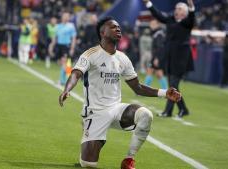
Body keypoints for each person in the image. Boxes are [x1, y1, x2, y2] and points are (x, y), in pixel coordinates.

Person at [58, 17, 181, 169]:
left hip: (116, 109)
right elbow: (76, 73)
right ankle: (93, 137)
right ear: (103, 32)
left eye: (119, 27)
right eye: (113, 27)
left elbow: (138, 87)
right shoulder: (91, 54)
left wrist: (164, 93)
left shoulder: (123, 58)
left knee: (145, 115)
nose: (118, 29)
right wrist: (66, 90)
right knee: (88, 164)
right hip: (95, 112)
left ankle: (129, 159)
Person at [143, 0, 195, 118]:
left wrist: (191, 7)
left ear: (185, 12)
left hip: (182, 58)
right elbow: (159, 15)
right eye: (177, 8)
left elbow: (192, 19)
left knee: (173, 84)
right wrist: (148, 4)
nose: (177, 9)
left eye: (180, 8)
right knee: (174, 84)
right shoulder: (171, 19)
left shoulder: (187, 22)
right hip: (170, 57)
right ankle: (183, 109)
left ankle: (168, 111)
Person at [49, 12, 77, 85]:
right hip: (59, 46)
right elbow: (55, 38)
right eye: (64, 16)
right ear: (62, 17)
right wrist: (51, 47)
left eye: (67, 16)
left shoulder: (71, 26)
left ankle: (63, 80)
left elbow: (73, 38)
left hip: (66, 46)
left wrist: (72, 48)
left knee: (64, 63)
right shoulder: (58, 26)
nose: (66, 17)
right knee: (62, 64)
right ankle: (68, 78)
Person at [144, 19, 168, 89]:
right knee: (159, 74)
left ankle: (144, 90)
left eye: (153, 24)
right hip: (158, 56)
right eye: (151, 24)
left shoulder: (158, 34)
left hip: (157, 57)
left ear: (158, 25)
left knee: (150, 71)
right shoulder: (157, 33)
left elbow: (160, 47)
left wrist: (157, 58)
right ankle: (166, 91)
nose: (151, 25)